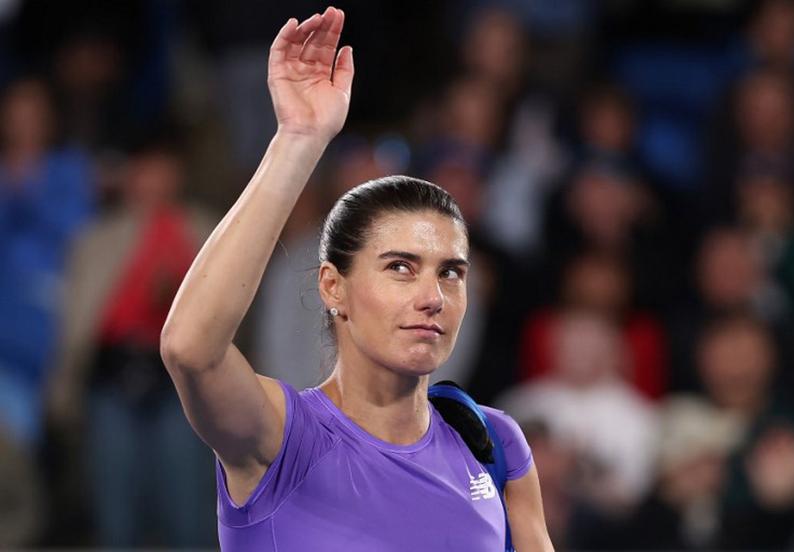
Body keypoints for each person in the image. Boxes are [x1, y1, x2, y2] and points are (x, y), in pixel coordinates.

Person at [160, 7, 554, 551]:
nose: (432, 297)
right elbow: (190, 349)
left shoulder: (496, 443)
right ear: (332, 287)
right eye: (400, 268)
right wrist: (297, 140)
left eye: (451, 274)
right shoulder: (281, 436)